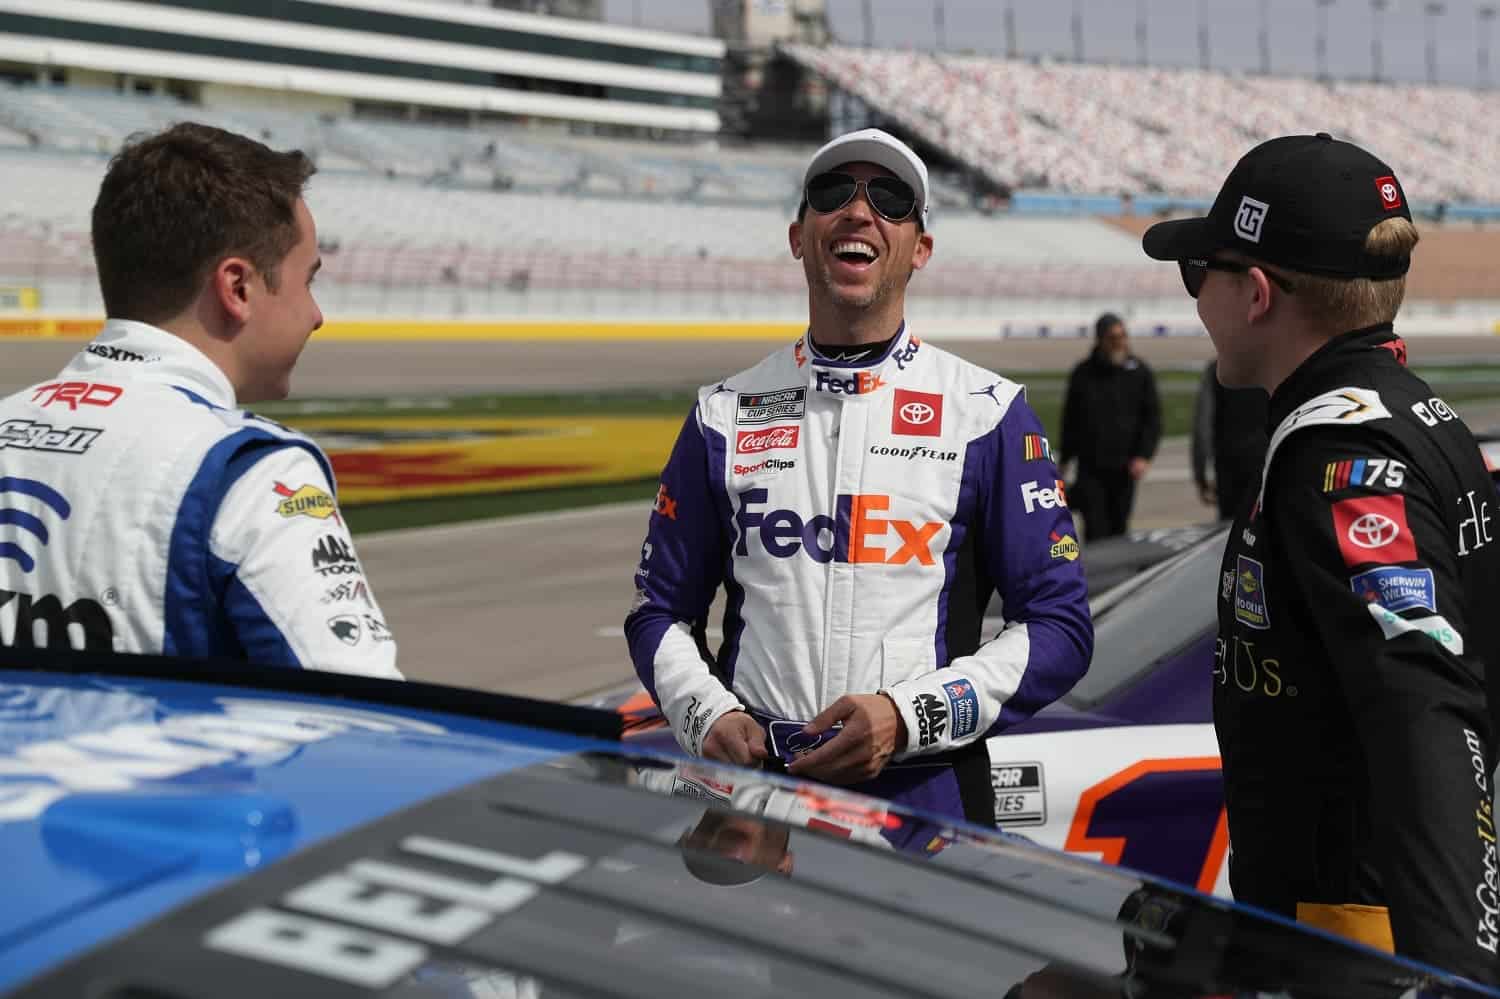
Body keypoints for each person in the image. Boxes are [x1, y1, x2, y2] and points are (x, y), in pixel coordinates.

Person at [624, 128, 1093, 827]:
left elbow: (1060, 626)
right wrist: (707, 710)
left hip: (924, 795)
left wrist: (906, 717)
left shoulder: (987, 413)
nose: (858, 210)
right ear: (798, 235)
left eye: (891, 198)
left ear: (920, 248)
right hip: (748, 798)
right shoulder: (722, 414)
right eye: (833, 192)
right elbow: (658, 609)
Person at [1143, 132, 1498, 983]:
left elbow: (1424, 711)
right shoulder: (1413, 411)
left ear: (1256, 293)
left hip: (1356, 946)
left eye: (1202, 274)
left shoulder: (1336, 459)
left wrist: (1457, 968)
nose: (1198, 300)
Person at [0, 122, 399, 678]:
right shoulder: (254, 473)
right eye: (308, 281)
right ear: (237, 288)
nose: (316, 315)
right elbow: (359, 718)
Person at [1058, 313, 1162, 540]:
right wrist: (1064, 460)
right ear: (1099, 339)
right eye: (1112, 337)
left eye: (1122, 336)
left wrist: (1143, 456)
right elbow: (1070, 420)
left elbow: (1152, 419)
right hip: (1090, 469)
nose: (1119, 342)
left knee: (1119, 527)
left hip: (1125, 469)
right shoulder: (1083, 373)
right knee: (1095, 528)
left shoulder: (1139, 372)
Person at [1190, 358, 1269, 520]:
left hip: (1229, 467)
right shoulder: (1274, 365)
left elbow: (1203, 425)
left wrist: (1201, 473)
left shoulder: (1217, 369)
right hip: (1268, 463)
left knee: (1230, 530)